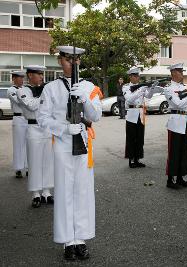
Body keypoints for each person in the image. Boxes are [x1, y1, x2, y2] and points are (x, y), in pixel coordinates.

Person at [37, 46, 102, 260]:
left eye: (76, 59)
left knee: (82, 191)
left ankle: (81, 239)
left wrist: (85, 98)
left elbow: (96, 115)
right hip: (63, 143)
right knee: (65, 191)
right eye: (67, 59)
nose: (72, 63)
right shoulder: (51, 88)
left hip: (83, 143)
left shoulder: (88, 86)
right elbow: (43, 119)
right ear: (60, 61)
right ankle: (67, 241)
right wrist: (64, 129)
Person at [17, 65, 54, 208]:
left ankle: (46, 192)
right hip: (33, 127)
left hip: (46, 128)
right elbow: (32, 105)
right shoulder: (22, 91)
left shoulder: (44, 89)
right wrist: (44, 96)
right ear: (30, 75)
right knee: (34, 162)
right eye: (39, 74)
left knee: (48, 161)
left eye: (42, 74)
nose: (42, 77)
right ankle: (36, 194)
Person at [122, 67, 156, 168]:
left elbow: (149, 96)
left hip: (140, 114)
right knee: (131, 137)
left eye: (138, 76)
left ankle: (137, 159)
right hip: (132, 114)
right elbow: (129, 100)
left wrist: (152, 87)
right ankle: (131, 160)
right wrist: (141, 90)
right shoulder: (126, 87)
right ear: (130, 77)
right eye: (135, 76)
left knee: (140, 137)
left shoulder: (141, 87)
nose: (137, 78)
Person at [7, 70, 28, 178]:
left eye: (22, 78)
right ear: (14, 79)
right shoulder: (11, 90)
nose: (21, 80)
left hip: (27, 119)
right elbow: (20, 101)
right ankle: (19, 169)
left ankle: (28, 167)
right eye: (19, 78)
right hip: (19, 118)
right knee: (19, 144)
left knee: (28, 144)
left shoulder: (25, 89)